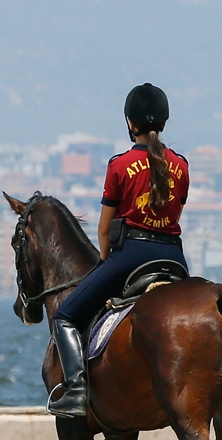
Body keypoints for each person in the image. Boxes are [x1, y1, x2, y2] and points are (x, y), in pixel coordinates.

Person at [48, 83, 190, 417]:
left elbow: (103, 228)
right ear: (165, 122)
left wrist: (103, 260)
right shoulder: (181, 165)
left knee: (66, 316)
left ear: (130, 122)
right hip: (174, 257)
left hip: (131, 256)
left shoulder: (120, 165)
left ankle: (77, 391)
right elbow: (175, 213)